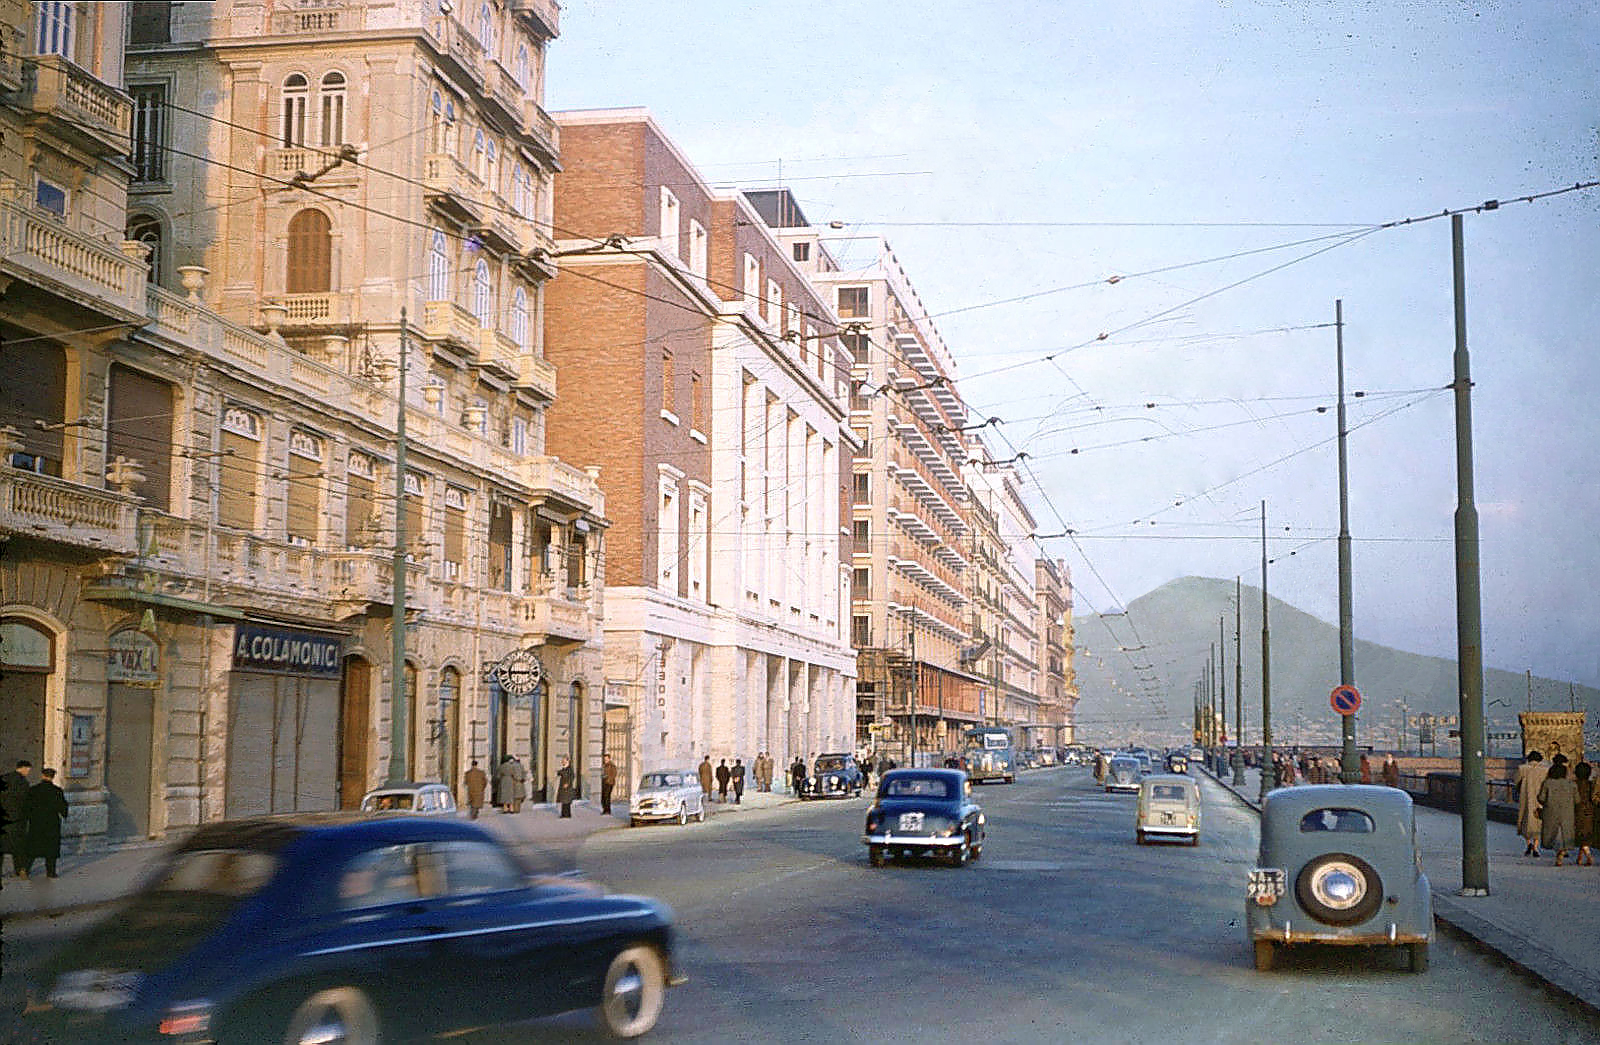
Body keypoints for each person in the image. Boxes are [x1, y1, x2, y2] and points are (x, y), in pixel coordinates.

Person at [22, 768, 68, 878]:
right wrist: (64, 814)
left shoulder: (33, 790)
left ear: (42, 776)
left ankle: (26, 869)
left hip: (36, 822)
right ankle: (51, 872)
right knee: (51, 849)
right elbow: (63, 807)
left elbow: (27, 806)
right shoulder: (57, 791)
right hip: (52, 823)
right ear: (53, 777)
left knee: (33, 847)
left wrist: (27, 818)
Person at [1539, 760, 1577, 866]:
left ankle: (1558, 852)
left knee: (1553, 834)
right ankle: (1562, 851)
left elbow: (1541, 798)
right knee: (1564, 833)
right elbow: (1577, 799)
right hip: (1567, 812)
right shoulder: (1571, 784)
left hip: (1551, 812)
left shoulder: (1547, 783)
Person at [1, 760, 33, 878]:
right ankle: (21, 870)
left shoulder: (4, 778)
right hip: (17, 819)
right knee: (19, 847)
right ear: (23, 768)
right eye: (28, 770)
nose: (28, 773)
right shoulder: (23, 783)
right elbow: (26, 802)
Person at [1516, 750, 1551, 856]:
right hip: (1540, 798)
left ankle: (1528, 844)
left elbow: (1516, 781)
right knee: (1538, 821)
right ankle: (1535, 847)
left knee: (1525, 819)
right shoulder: (1545, 770)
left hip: (1526, 797)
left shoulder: (1522, 769)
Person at [1574, 761, 1597, 866]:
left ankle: (1586, 856)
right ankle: (1583, 856)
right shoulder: (1591, 784)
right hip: (1589, 811)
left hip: (1577, 810)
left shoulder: (1574, 784)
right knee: (1586, 835)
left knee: (1581, 834)